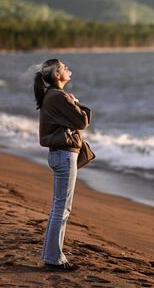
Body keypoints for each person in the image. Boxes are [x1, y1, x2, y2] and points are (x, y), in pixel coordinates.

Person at [34, 59, 91, 272]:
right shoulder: (58, 96)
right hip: (64, 156)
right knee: (61, 208)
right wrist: (74, 103)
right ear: (57, 75)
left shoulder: (52, 96)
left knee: (59, 207)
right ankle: (53, 258)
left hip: (60, 155)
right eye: (64, 67)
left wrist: (72, 102)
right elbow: (82, 122)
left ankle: (51, 255)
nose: (68, 69)